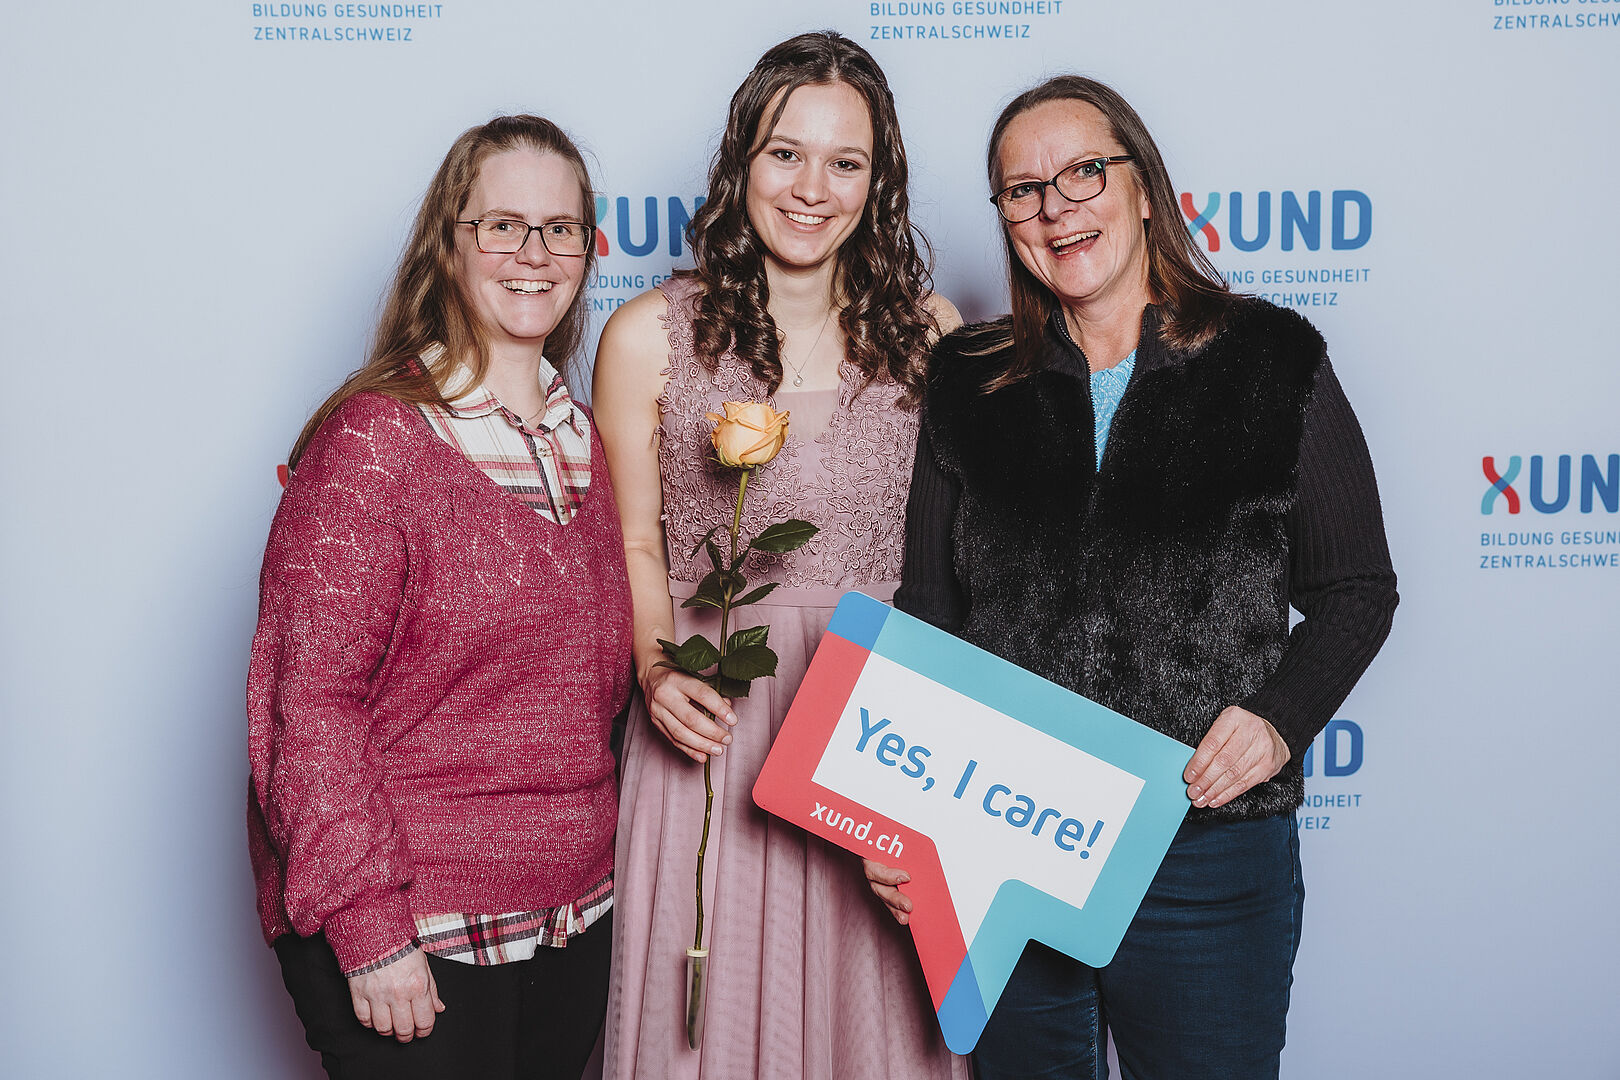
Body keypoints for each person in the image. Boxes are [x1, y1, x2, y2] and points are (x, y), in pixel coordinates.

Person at [886, 76, 1399, 1079]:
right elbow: (930, 614)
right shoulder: (968, 380)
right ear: (1006, 218)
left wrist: (1281, 718)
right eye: (1023, 190)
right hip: (1005, 844)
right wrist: (906, 818)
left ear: (1144, 187)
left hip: (1204, 853)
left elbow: (1357, 588)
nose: (1057, 208)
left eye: (1084, 172)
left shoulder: (1271, 358)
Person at [593, 31, 971, 1080]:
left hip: (880, 731)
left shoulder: (932, 336)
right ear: (741, 162)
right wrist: (656, 670)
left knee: (875, 1024)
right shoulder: (647, 336)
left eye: (845, 162)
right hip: (713, 720)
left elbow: (956, 562)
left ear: (878, 183)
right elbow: (633, 541)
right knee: (701, 1028)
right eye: (785, 154)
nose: (812, 189)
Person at [247, 114, 632, 1079]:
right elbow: (308, 707)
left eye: (559, 229)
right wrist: (369, 929)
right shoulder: (375, 442)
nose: (534, 253)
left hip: (574, 922)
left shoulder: (588, 440)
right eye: (502, 226)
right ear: (448, 246)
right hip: (417, 930)